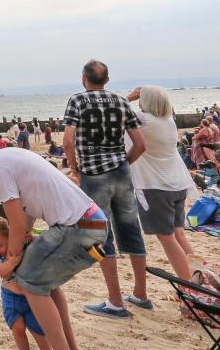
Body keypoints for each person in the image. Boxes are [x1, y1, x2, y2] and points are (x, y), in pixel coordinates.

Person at [0, 143, 105, 350]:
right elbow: (26, 217)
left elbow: (17, 225)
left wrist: (11, 259)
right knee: (46, 280)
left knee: (29, 278)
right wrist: (24, 239)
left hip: (78, 227)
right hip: (93, 221)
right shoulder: (8, 155)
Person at [62, 60, 149, 319]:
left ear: (83, 78)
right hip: (121, 171)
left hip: (93, 174)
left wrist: (75, 168)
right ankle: (141, 294)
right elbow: (140, 144)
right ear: (107, 79)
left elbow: (68, 141)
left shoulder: (77, 101)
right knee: (131, 229)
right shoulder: (122, 102)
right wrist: (123, 163)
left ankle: (115, 301)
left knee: (100, 235)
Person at [125, 86, 198, 284]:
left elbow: (115, 112)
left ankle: (190, 285)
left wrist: (129, 97)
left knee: (166, 238)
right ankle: (201, 276)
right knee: (178, 234)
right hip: (178, 183)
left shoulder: (143, 119)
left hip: (155, 186)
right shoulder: (169, 121)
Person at [0, 215, 51, 350]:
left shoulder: (21, 244)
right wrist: (11, 263)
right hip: (11, 298)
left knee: (38, 330)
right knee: (18, 329)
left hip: (31, 297)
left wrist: (31, 238)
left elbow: (43, 243)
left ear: (10, 236)